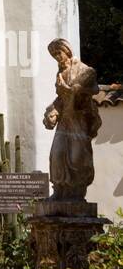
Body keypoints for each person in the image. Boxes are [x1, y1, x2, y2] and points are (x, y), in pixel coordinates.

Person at [43, 39, 101, 200]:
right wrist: (53, 111)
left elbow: (93, 90)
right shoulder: (60, 74)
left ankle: (77, 193)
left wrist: (73, 89)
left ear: (67, 51)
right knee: (57, 155)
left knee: (77, 157)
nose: (57, 57)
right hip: (65, 121)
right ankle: (59, 191)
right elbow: (60, 98)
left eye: (58, 53)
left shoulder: (84, 70)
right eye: (54, 55)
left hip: (78, 119)